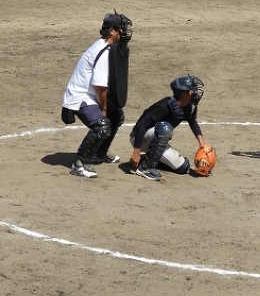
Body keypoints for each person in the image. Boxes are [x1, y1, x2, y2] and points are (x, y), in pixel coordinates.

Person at [62, 12, 134, 178]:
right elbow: (99, 86)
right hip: (80, 97)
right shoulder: (104, 52)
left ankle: (98, 153)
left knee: (116, 115)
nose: (124, 32)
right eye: (121, 29)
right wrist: (103, 108)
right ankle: (79, 164)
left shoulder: (108, 47)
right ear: (112, 31)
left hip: (91, 94)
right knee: (102, 125)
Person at [129, 75, 208, 181]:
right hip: (140, 137)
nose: (196, 93)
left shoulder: (188, 107)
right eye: (193, 90)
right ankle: (145, 168)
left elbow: (192, 122)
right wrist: (136, 151)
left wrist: (202, 144)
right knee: (165, 128)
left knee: (183, 167)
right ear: (184, 94)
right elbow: (141, 125)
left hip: (156, 139)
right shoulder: (164, 106)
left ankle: (148, 158)